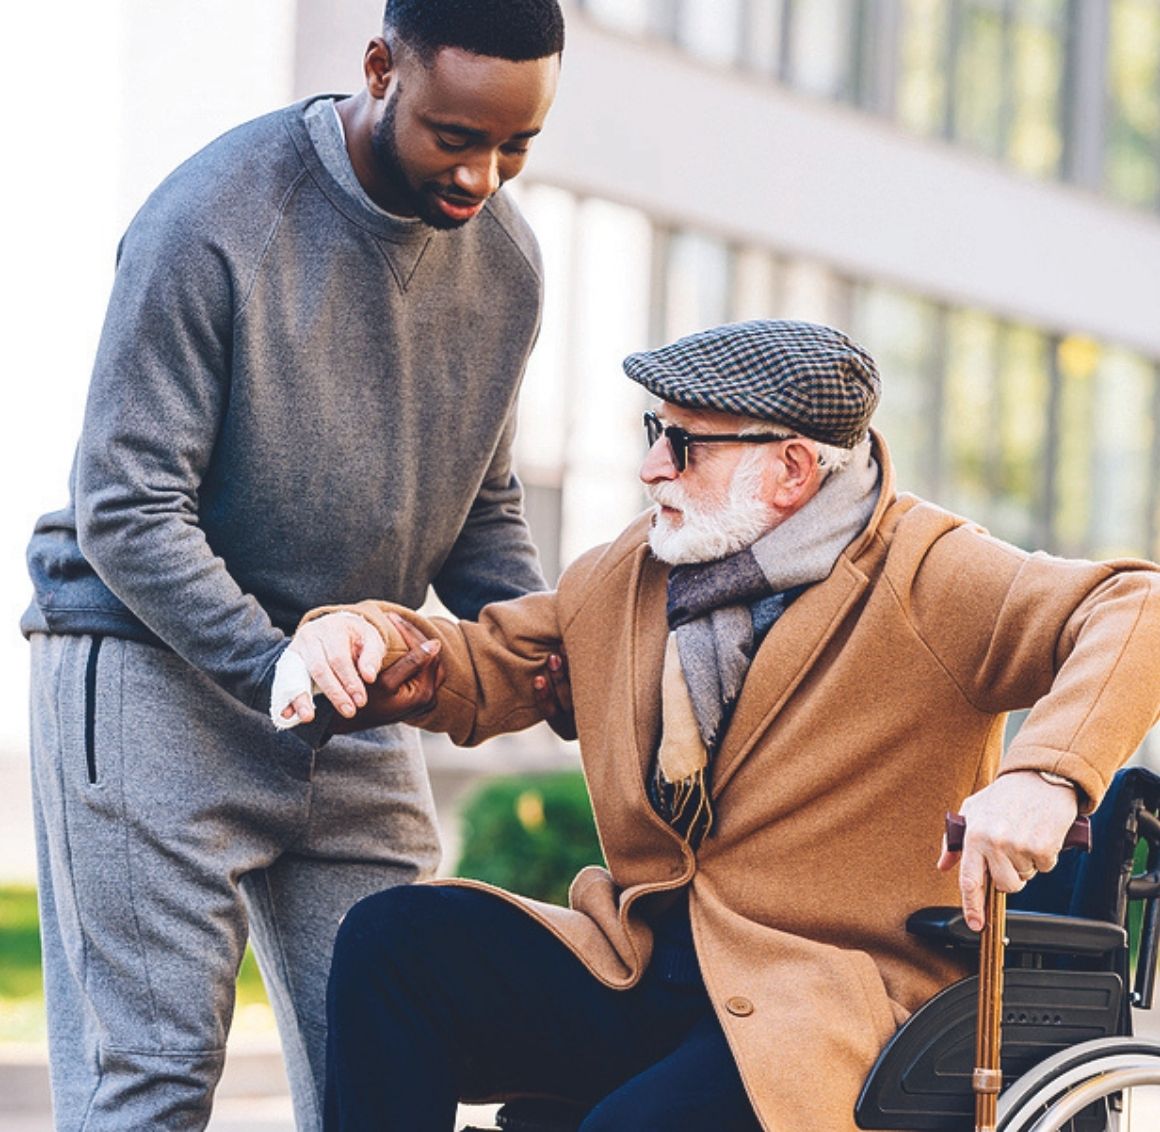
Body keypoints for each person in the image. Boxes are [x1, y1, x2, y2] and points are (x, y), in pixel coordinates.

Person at [283, 319, 1160, 1132]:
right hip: (643, 961)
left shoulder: (929, 574)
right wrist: (364, 635)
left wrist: (1045, 776)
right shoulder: (633, 572)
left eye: (685, 443)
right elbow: (480, 661)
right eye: (653, 432)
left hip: (824, 1003)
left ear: (792, 469)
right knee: (394, 942)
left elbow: (1139, 608)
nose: (651, 467)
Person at [20, 1, 567, 1128]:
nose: (483, 176)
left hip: (354, 692)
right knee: (154, 1078)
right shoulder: (215, 218)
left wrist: (562, 656)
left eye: (516, 145)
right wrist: (277, 663)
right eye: (456, 136)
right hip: (155, 671)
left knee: (395, 1064)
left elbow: (479, 510)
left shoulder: (507, 266)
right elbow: (126, 503)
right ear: (380, 69)